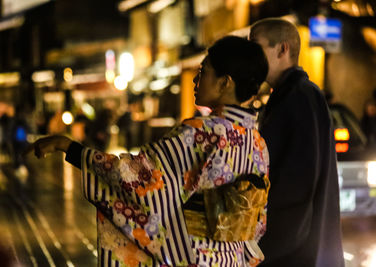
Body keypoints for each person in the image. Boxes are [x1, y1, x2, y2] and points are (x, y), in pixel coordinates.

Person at [27, 36, 270, 267]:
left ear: (225, 82)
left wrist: (69, 147)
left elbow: (134, 178)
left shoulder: (201, 133)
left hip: (196, 256)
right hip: (234, 259)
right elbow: (258, 224)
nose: (196, 80)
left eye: (203, 72)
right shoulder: (258, 143)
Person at [249, 18, 344, 266]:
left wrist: (263, 249)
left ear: (283, 49)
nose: (250, 58)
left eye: (256, 48)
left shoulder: (299, 98)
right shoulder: (290, 96)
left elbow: (296, 188)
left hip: (298, 253)